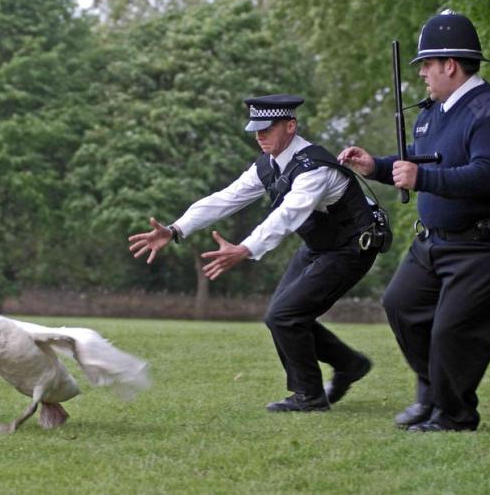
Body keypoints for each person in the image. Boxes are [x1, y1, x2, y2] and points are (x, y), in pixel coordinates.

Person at [339, 11, 490, 432]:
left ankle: (454, 415)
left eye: (426, 66)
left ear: (449, 65)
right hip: (438, 240)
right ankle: (433, 393)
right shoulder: (433, 113)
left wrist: (423, 178)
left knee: (454, 332)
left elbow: (487, 175)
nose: (421, 75)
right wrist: (374, 166)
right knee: (401, 305)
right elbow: (420, 161)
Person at [129, 94, 380, 412]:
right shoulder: (270, 165)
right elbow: (226, 198)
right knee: (280, 316)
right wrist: (175, 229)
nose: (259, 136)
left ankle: (310, 396)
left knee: (284, 316)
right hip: (320, 246)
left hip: (351, 249)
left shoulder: (313, 168)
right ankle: (349, 364)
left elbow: (288, 215)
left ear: (291, 126)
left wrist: (247, 248)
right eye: (256, 129)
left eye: (267, 128)